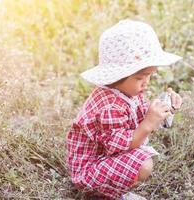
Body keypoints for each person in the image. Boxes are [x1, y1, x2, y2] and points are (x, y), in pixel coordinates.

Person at [66, 19, 183, 200]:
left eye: (149, 76)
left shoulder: (127, 92)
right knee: (143, 164)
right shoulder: (110, 106)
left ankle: (115, 190)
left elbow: (144, 114)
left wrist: (166, 108)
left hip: (104, 160)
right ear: (117, 75)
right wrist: (148, 123)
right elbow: (123, 147)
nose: (146, 83)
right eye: (140, 77)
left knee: (141, 158)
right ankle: (106, 195)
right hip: (89, 171)